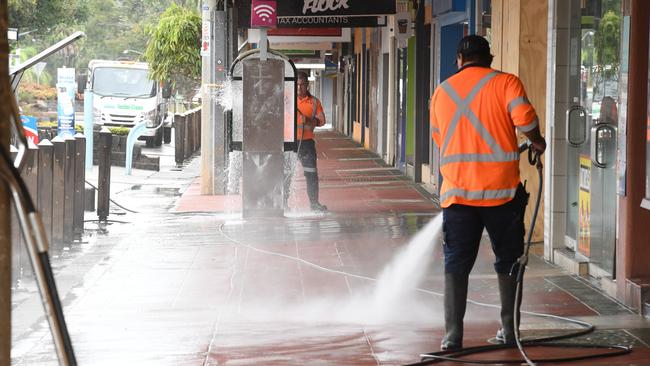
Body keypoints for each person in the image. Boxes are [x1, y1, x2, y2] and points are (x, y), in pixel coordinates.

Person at [429, 35, 546, 351]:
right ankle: (509, 332)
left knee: (456, 262)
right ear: (490, 59)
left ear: (459, 60)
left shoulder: (441, 92)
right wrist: (536, 140)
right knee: (509, 259)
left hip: (458, 196)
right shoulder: (507, 83)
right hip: (501, 195)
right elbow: (526, 120)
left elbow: (440, 138)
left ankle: (452, 336)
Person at [285, 71, 328, 212]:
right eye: (297, 85)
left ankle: (314, 204)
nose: (299, 88)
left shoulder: (315, 102)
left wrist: (309, 120)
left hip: (307, 143)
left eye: (302, 85)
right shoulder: (286, 99)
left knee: (311, 173)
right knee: (286, 174)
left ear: (307, 85)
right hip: (288, 143)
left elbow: (322, 121)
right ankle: (283, 204)